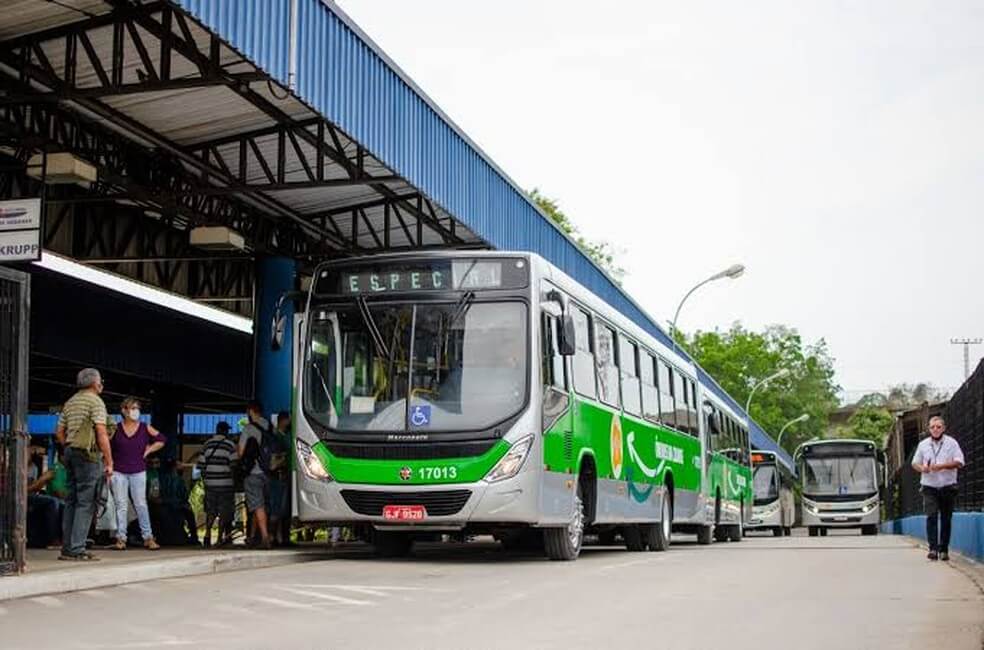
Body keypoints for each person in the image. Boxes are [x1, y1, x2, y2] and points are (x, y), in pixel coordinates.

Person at [54, 368, 112, 562]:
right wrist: (109, 461)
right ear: (95, 383)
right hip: (88, 455)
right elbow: (102, 433)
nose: (101, 384)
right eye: (101, 381)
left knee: (71, 500)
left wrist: (70, 447)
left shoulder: (70, 402)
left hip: (70, 452)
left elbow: (59, 432)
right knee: (86, 502)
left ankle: (67, 547)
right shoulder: (95, 401)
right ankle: (78, 548)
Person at [108, 397, 164, 551]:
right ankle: (121, 538)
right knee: (121, 505)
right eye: (131, 408)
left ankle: (148, 537)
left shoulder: (145, 427)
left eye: (137, 408)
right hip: (118, 471)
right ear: (123, 410)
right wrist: (109, 465)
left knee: (141, 504)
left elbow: (161, 439)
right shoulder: (115, 428)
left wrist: (148, 450)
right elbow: (105, 444)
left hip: (138, 471)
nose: (135, 411)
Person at [911, 416, 965, 561]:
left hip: (947, 486)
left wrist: (941, 466)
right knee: (931, 516)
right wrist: (923, 468)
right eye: (932, 427)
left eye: (938, 427)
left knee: (946, 519)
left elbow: (960, 462)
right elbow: (914, 463)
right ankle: (933, 549)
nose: (935, 429)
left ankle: (944, 549)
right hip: (929, 486)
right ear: (929, 429)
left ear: (944, 428)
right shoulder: (923, 445)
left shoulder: (952, 443)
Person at [197, 421, 238, 548]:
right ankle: (220, 538)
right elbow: (234, 465)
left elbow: (201, 466)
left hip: (210, 484)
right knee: (224, 512)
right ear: (225, 431)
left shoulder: (207, 445)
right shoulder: (230, 445)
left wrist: (207, 480)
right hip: (225, 484)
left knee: (211, 511)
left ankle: (207, 535)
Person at [239, 400, 272, 548]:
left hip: (254, 471)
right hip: (268, 471)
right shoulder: (270, 426)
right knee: (261, 505)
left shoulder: (248, 429)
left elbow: (240, 452)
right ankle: (253, 537)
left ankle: (265, 537)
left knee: (257, 506)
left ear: (251, 411)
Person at [26, 446, 63, 549]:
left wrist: (40, 483)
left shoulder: (34, 467)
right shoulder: (17, 468)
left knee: (58, 503)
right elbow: (20, 491)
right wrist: (42, 480)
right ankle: (53, 539)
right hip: (23, 497)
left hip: (32, 496)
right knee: (52, 501)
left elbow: (34, 488)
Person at [268, 411, 292, 546]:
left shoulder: (286, 436)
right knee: (277, 507)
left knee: (284, 508)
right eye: (289, 420)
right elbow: (275, 460)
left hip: (284, 475)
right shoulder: (276, 438)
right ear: (283, 421)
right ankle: (274, 537)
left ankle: (282, 537)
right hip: (278, 475)